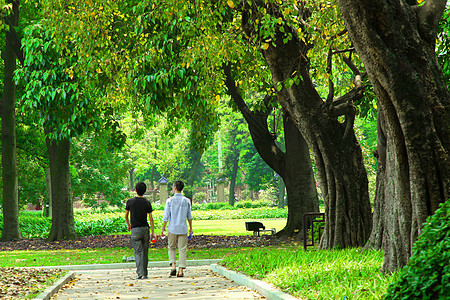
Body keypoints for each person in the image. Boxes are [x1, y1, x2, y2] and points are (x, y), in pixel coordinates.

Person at [161, 180, 193, 277]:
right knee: (182, 249)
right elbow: (189, 216)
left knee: (171, 247)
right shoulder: (187, 201)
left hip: (172, 228)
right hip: (183, 228)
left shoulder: (169, 201)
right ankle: (181, 270)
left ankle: (173, 266)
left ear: (175, 187)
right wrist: (191, 228)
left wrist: (163, 228)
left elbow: (166, 216)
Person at [125, 182, 156, 279]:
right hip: (145, 230)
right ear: (145, 191)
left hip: (135, 230)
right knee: (145, 252)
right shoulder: (147, 202)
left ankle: (140, 273)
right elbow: (151, 218)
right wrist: (153, 232)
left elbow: (126, 216)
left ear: (135, 190)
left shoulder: (130, 202)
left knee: (138, 252)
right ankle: (145, 273)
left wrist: (129, 225)